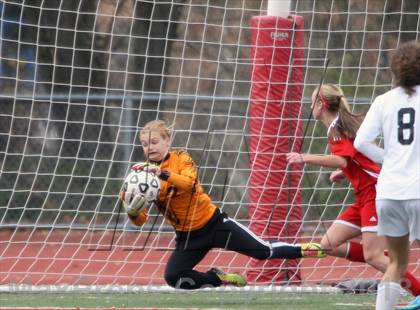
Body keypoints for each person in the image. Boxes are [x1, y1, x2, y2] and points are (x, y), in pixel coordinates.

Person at [121, 119, 326, 290]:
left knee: (263, 252)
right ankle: (219, 278)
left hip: (215, 224)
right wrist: (131, 210)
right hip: (188, 237)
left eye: (155, 141)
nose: (150, 148)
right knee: (174, 278)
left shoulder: (181, 158)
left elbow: (189, 183)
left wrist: (162, 173)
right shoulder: (142, 177)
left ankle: (304, 249)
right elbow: (140, 221)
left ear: (168, 141)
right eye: (145, 144)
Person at [286, 83, 420, 301]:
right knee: (328, 244)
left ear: (321, 104)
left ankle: (417, 289)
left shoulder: (337, 127)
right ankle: (382, 256)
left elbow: (342, 158)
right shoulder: (338, 126)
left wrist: (304, 157)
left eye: (312, 102)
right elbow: (354, 158)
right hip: (363, 195)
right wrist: (345, 171)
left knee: (374, 256)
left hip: (375, 194)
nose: (310, 107)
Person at [354, 40, 420, 310]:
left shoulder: (384, 101)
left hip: (389, 193)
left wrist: (388, 159)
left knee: (396, 263)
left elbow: (360, 143)